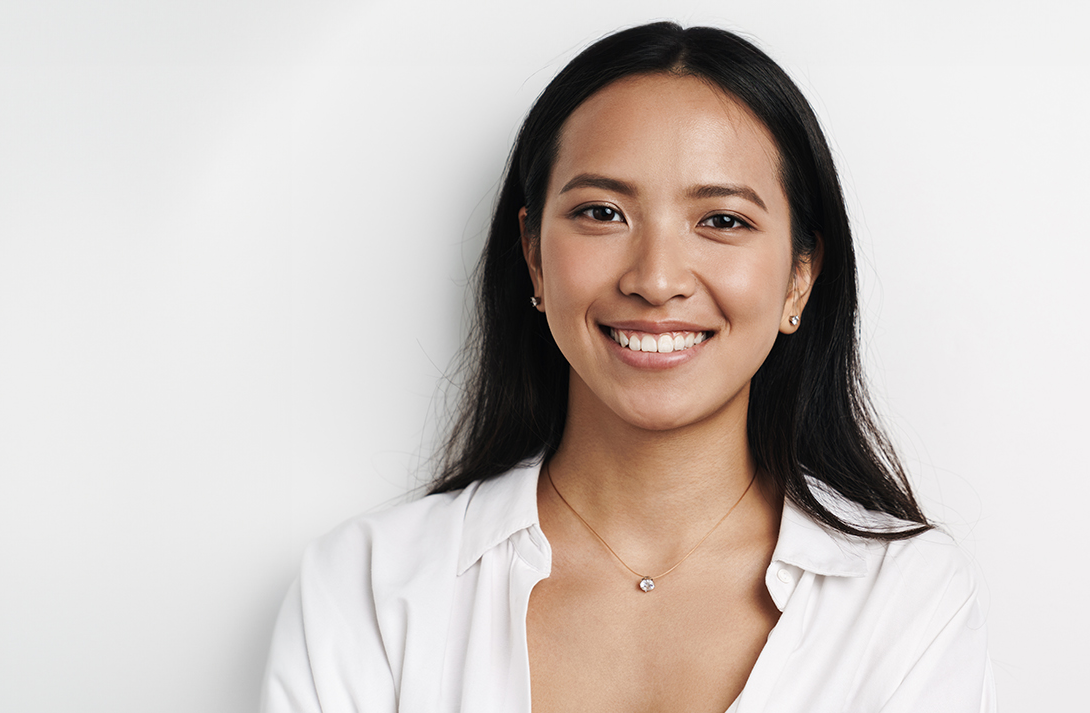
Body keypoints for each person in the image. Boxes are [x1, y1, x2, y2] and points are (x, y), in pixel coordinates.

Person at [261, 21, 992, 713]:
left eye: (723, 220)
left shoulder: (905, 596)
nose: (656, 277)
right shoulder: (367, 588)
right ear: (533, 257)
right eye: (602, 212)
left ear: (800, 277)